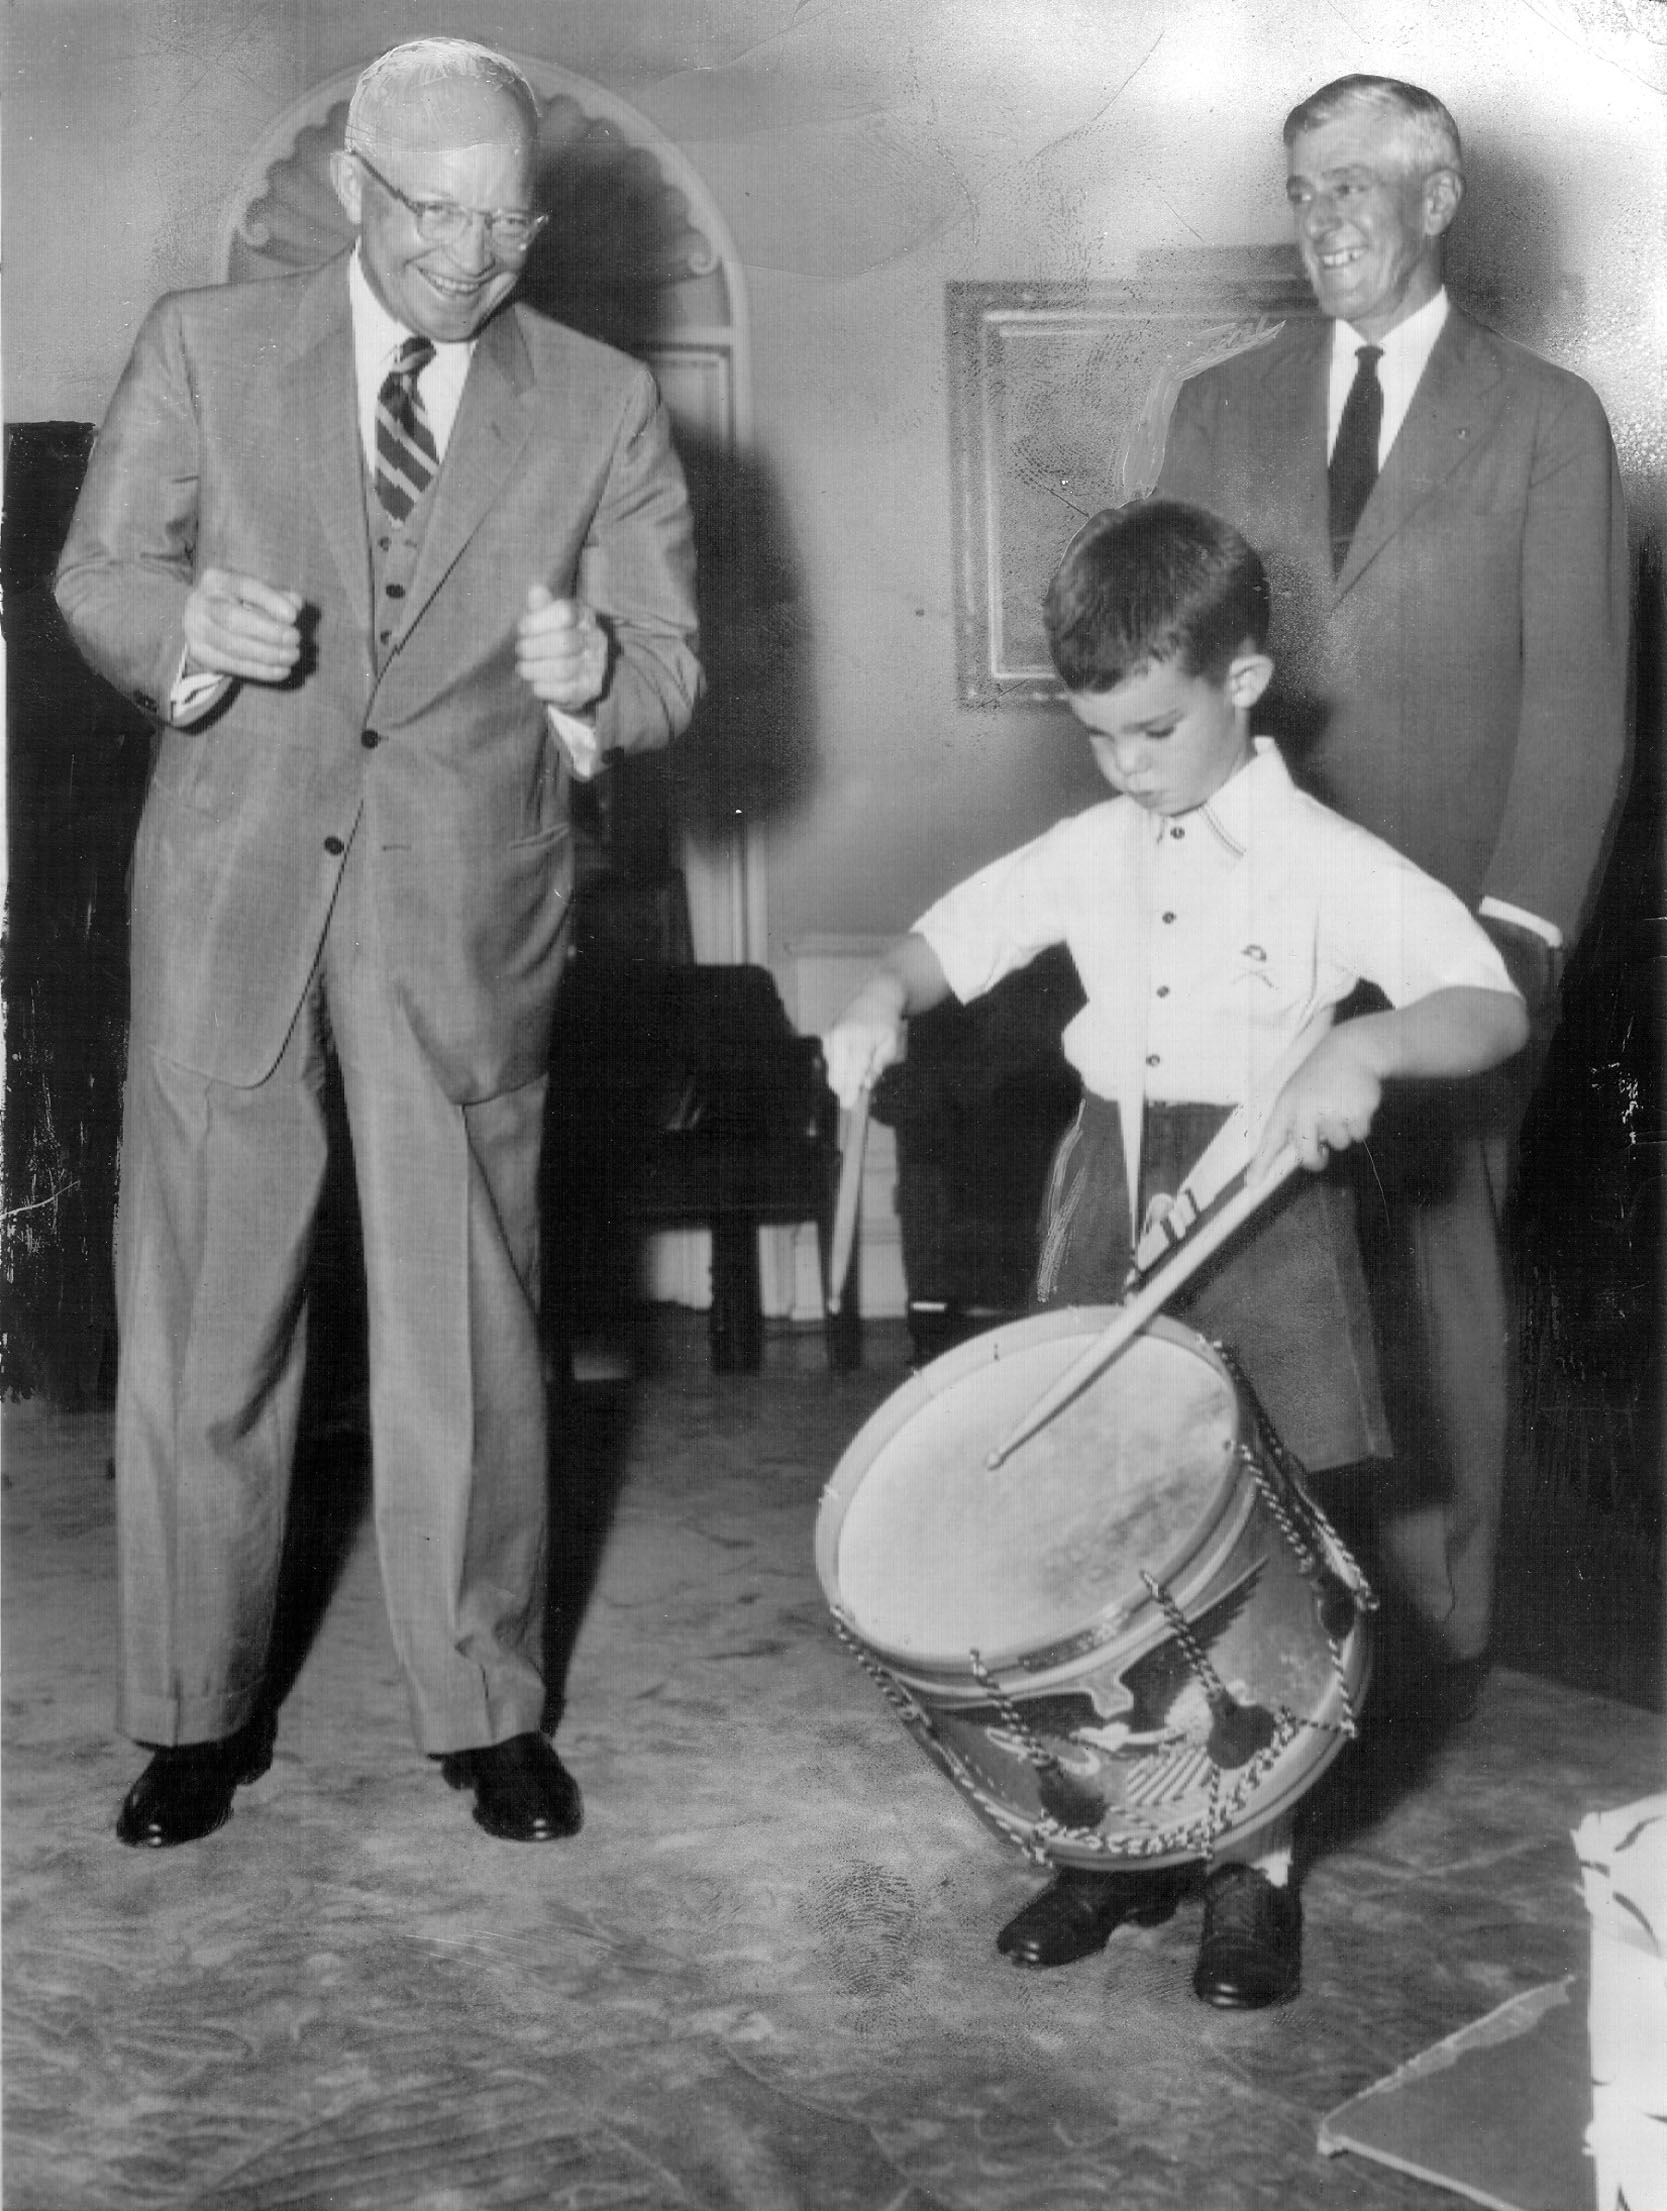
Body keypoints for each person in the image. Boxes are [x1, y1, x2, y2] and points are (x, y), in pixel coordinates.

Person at [54, 38, 701, 1849]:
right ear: (357, 187)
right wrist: (190, 623)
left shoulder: (601, 400)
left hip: (464, 910)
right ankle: (193, 1713)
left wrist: (601, 687)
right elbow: (100, 574)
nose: (474, 256)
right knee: (202, 1318)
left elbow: (669, 661)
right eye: (437, 212)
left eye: (510, 222)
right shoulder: (204, 345)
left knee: (468, 1324)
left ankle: (487, 1706)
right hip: (236, 893)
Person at [823, 500, 1526, 2006]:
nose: (1125, 767)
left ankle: (1251, 1873)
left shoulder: (1328, 859)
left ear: (1246, 683)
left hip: (1266, 1206)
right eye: (1099, 738)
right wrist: (884, 993)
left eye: (1151, 729)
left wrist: (1375, 1051)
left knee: (1241, 1557)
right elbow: (953, 938)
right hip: (1110, 1185)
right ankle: (1111, 1847)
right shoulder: (1094, 840)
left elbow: (1488, 1000)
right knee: (1091, 1535)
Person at [1154, 74, 1630, 1716]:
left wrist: (1515, 942)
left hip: (1454, 941)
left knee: (1438, 1287)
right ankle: (1256, 1634)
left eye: (1361, 183)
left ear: (1439, 201)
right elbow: (1181, 679)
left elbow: (1579, 709)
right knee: (1253, 1282)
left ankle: (1429, 1658)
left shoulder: (1547, 419)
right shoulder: (1217, 407)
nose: (1327, 215)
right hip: (1258, 928)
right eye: (1304, 187)